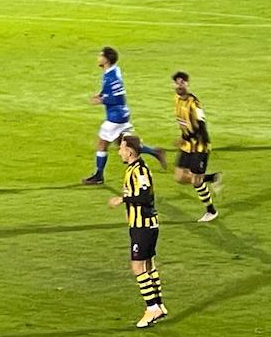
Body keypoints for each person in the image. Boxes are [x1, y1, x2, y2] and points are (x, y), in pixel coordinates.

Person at [83, 47, 166, 185]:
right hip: (121, 115)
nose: (98, 58)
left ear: (106, 59)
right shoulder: (113, 71)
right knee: (125, 142)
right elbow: (112, 90)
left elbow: (117, 98)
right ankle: (156, 152)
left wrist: (101, 100)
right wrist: (101, 93)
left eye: (100, 56)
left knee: (102, 144)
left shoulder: (111, 76)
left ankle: (98, 175)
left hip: (115, 117)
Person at [108, 134, 167, 328]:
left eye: (121, 148)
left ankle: (151, 308)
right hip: (145, 225)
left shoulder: (139, 171)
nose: (119, 152)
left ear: (130, 150)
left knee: (137, 268)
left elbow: (143, 196)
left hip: (143, 226)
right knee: (148, 265)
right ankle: (159, 305)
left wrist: (121, 200)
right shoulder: (135, 168)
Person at [171, 71, 222, 222]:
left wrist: (184, 137)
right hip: (187, 145)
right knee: (179, 177)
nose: (179, 86)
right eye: (177, 83)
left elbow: (201, 126)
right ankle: (212, 178)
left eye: (182, 83)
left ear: (187, 84)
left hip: (200, 147)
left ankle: (211, 211)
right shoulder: (176, 99)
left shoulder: (194, 103)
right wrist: (184, 139)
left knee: (196, 181)